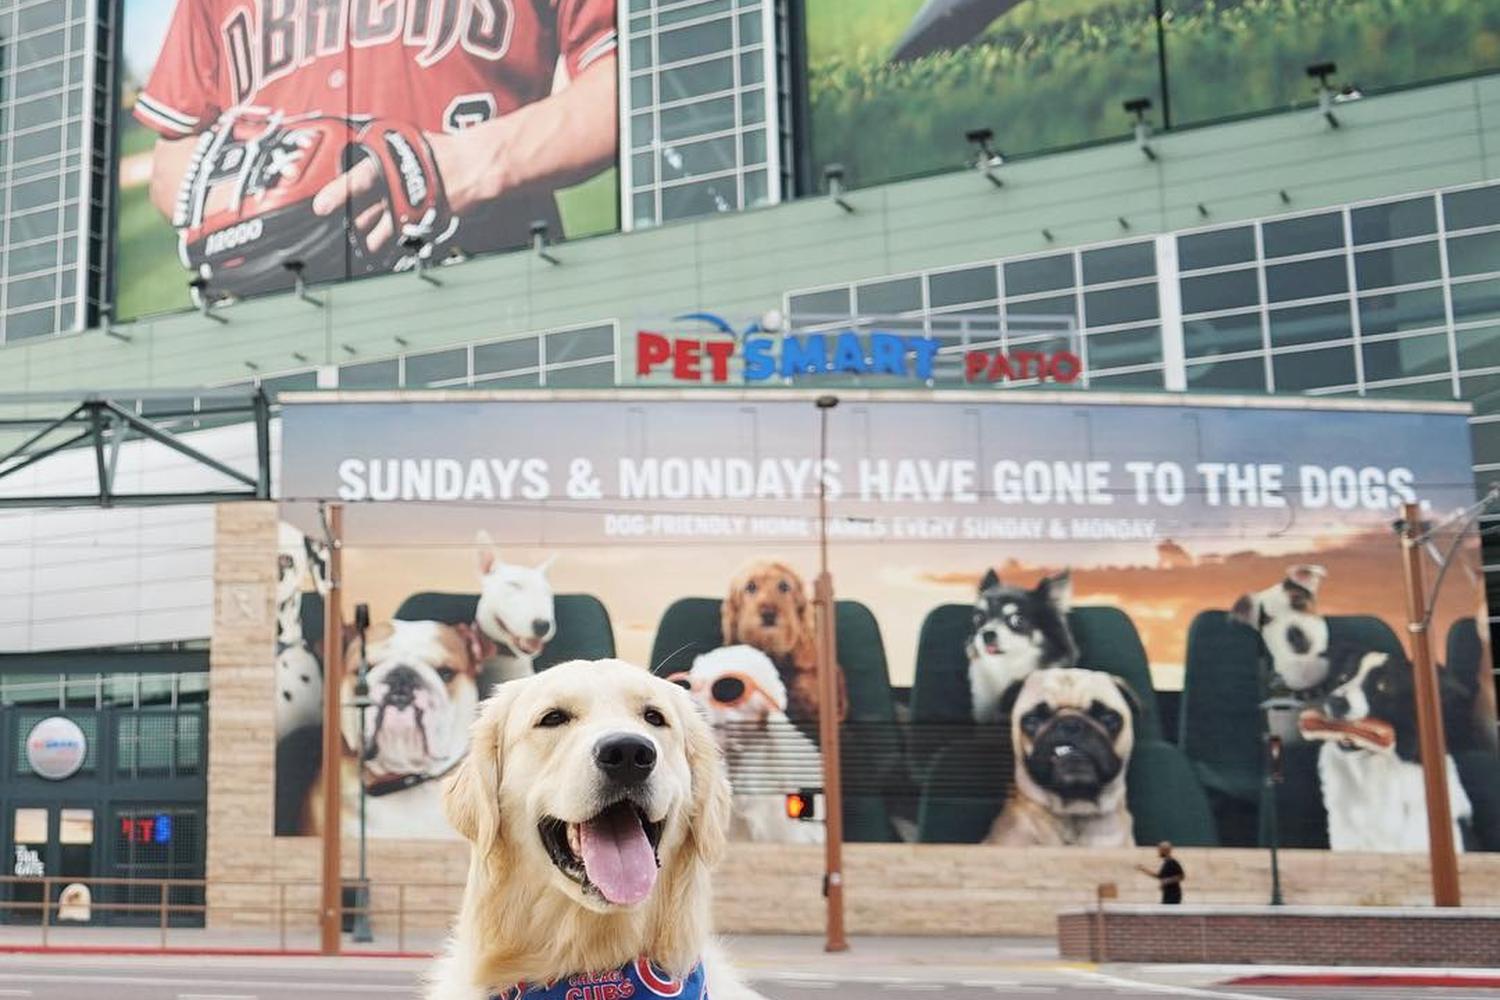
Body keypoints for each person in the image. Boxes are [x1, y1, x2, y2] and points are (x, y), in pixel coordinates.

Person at [134, 0, 618, 268]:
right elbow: (175, 154)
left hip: (491, 287)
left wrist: (462, 167)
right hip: (283, 314)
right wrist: (262, 215)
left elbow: (627, 85)